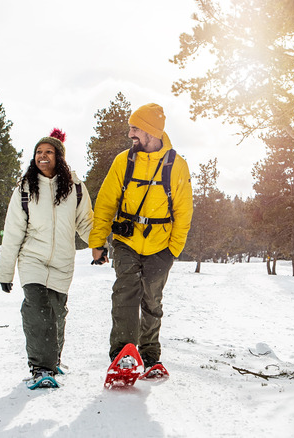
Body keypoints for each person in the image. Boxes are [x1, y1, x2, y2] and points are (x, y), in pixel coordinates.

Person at [89, 103, 193, 374]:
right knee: (125, 293)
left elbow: (184, 211)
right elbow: (105, 203)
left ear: (150, 130)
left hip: (161, 246)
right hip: (126, 241)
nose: (130, 134)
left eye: (135, 128)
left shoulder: (177, 165)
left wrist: (173, 250)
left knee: (152, 300)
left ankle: (149, 356)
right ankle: (123, 355)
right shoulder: (124, 161)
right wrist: (97, 242)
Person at [0, 128, 93, 388]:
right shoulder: (25, 188)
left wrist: (99, 245)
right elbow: (13, 232)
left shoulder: (75, 188)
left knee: (56, 313)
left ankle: (53, 359)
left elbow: (85, 224)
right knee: (37, 310)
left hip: (63, 261)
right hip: (32, 259)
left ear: (59, 157)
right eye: (38, 152)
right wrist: (5, 273)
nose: (42, 156)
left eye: (48, 152)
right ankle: (41, 368)